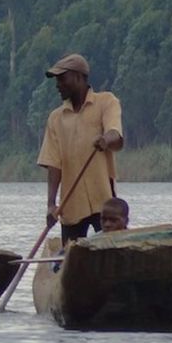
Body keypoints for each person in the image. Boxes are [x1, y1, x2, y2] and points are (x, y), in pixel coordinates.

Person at [36, 53, 124, 245]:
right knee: (70, 257)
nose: (58, 85)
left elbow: (115, 133)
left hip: (104, 203)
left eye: (62, 79)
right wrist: (51, 205)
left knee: (111, 249)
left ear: (78, 77)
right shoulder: (56, 118)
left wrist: (104, 140)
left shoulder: (106, 102)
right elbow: (53, 164)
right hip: (71, 204)